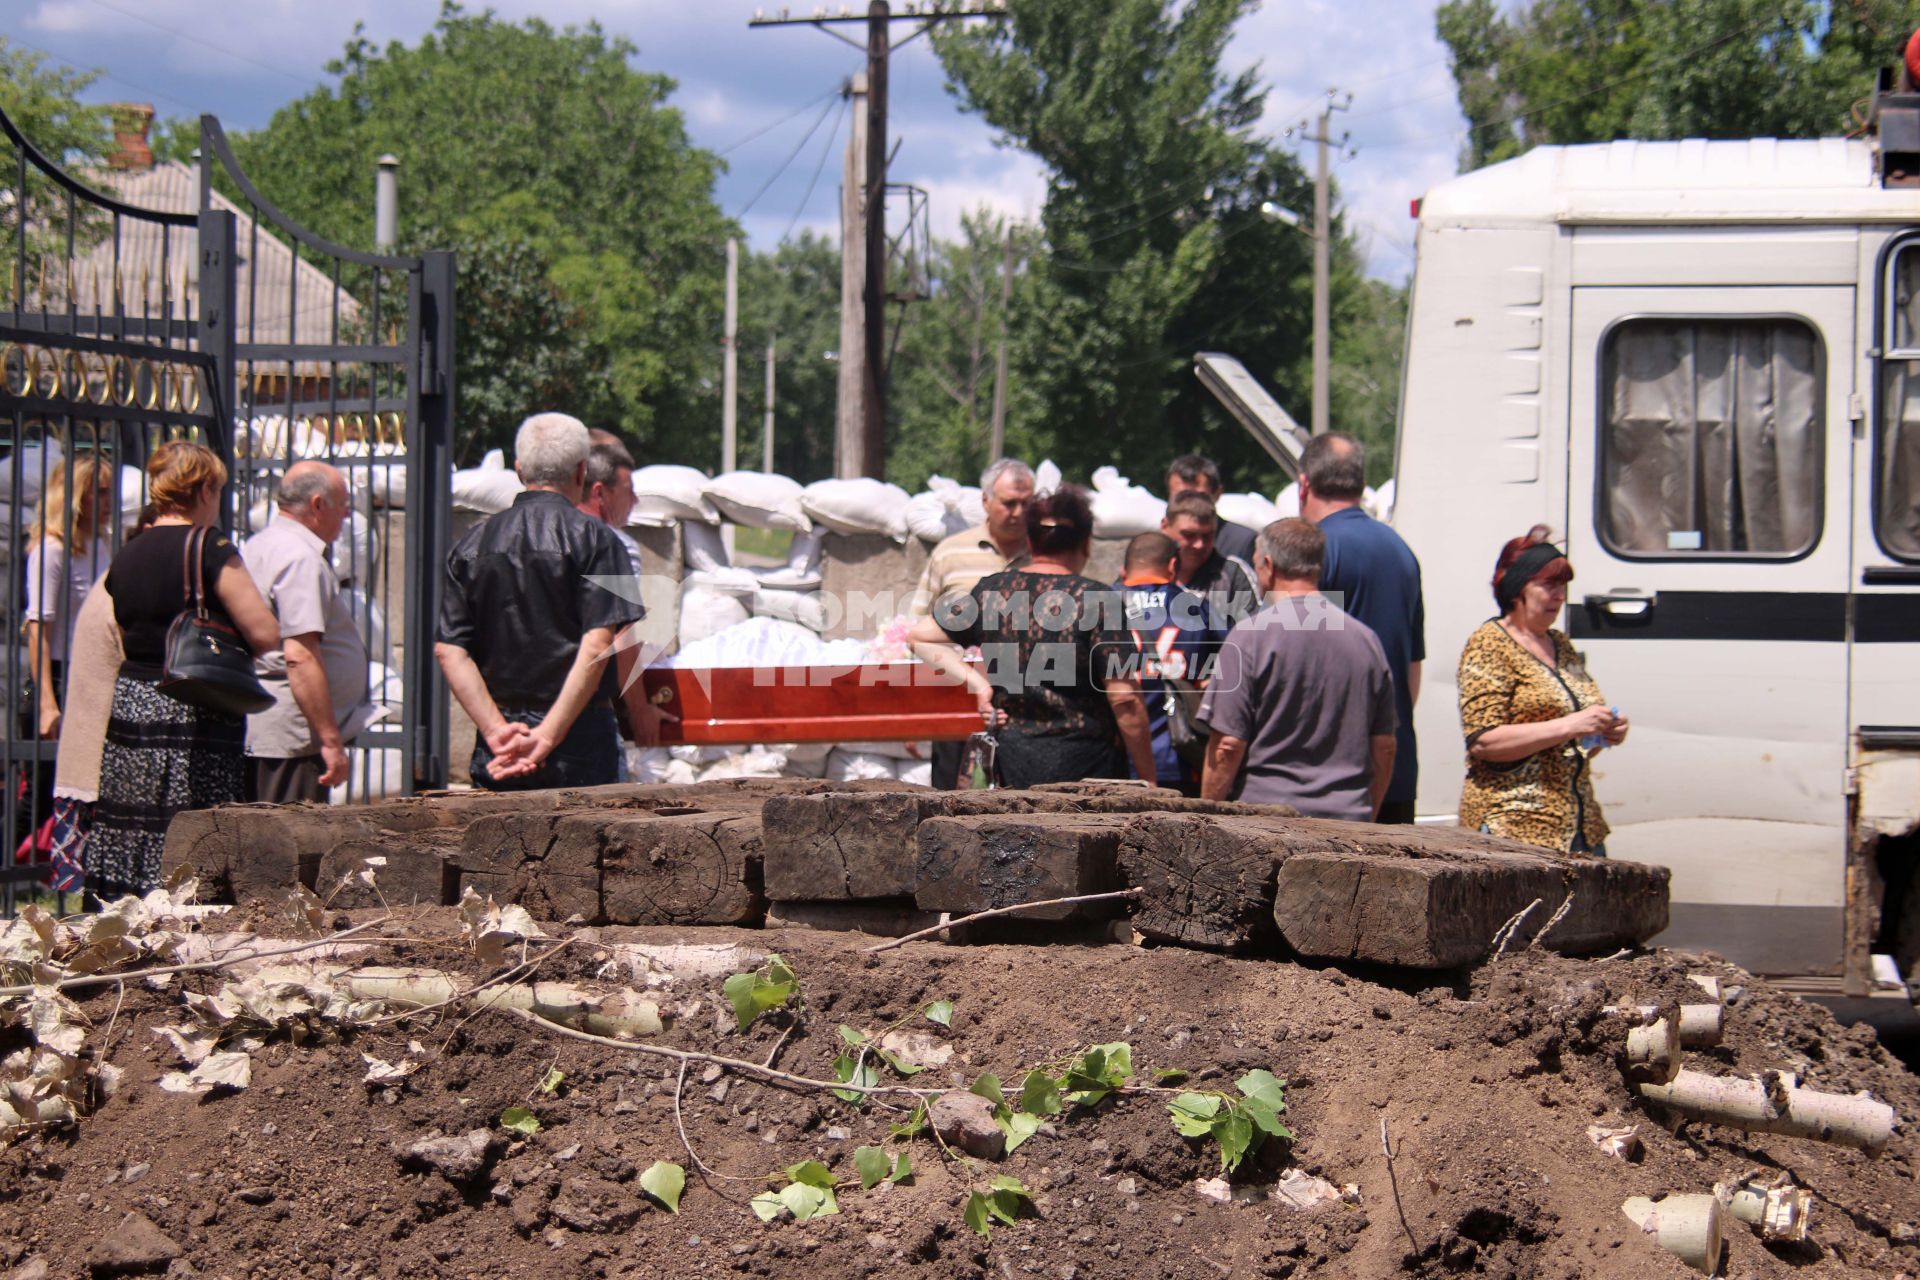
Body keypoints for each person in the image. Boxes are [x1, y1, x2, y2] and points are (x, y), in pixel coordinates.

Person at [88, 442, 282, 900]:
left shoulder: (128, 553)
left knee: (134, 819)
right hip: (195, 701)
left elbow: (124, 623)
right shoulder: (209, 546)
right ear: (205, 488)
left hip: (134, 699)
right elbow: (265, 632)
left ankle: (123, 911)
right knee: (193, 820)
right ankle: (189, 912)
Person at [436, 412, 663, 791]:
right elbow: (600, 642)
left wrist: (496, 732)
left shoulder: (471, 545)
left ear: (520, 470)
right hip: (581, 738)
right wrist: (547, 736)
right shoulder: (599, 541)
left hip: (502, 742)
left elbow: (449, 650)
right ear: (580, 472)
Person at [909, 485, 1156, 788]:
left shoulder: (992, 590)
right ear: (1086, 543)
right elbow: (1126, 699)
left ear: (1030, 540)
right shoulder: (1097, 599)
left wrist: (978, 684)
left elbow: (920, 637)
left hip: (1012, 761)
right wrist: (1147, 777)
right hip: (1087, 767)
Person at [1197, 518, 1397, 819]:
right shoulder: (1366, 640)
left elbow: (1227, 745)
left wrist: (1208, 817)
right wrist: (1365, 813)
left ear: (1268, 564)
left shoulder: (1248, 636)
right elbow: (1384, 747)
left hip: (1264, 824)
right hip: (1348, 823)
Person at [1457, 526, 1628, 854]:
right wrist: (1571, 725)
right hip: (1515, 827)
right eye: (1548, 585)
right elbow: (1482, 740)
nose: (1560, 595)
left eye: (1563, 586)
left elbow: (1580, 724)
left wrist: (1608, 729)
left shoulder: (1559, 644)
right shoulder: (1489, 644)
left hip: (1579, 826)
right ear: (1516, 589)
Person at [1300, 432, 1426, 824]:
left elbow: (1294, 659)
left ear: (1304, 484)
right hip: (1394, 765)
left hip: (1328, 776)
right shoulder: (1401, 550)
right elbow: (1412, 669)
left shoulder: (1310, 549)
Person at [241, 461, 379, 805]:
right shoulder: (301, 558)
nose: (347, 516)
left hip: (274, 727)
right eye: (343, 504)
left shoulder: (259, 545)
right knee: (288, 848)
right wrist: (330, 740)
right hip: (293, 737)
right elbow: (300, 655)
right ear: (317, 505)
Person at [909, 457, 1035, 788]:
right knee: (952, 803)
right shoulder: (951, 553)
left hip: (1030, 707)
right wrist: (916, 710)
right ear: (985, 501)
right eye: (1009, 503)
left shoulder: (1045, 556)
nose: (1018, 512)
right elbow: (918, 626)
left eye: (1026, 503)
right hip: (958, 701)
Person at [1115, 530, 1224, 795]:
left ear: (1123, 569)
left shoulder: (1099, 603)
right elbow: (1235, 663)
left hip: (1115, 755)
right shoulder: (1198, 608)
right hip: (1179, 754)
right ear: (1173, 565)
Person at [22, 452, 115, 741]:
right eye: (99, 493)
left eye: (109, 492)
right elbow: (39, 629)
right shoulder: (52, 549)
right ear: (74, 497)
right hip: (62, 674)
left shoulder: (100, 542)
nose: (108, 501)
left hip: (96, 671)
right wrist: (48, 704)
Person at [1161, 490, 1259, 629]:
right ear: (1165, 526)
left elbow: (1252, 635)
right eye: (1189, 535)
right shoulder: (1142, 569)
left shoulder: (1232, 574)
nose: (1199, 545)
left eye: (1208, 536)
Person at [1167, 453, 1257, 567]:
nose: (1191, 504)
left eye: (1200, 496)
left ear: (1217, 494)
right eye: (1181, 496)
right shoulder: (1155, 541)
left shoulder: (1241, 541)